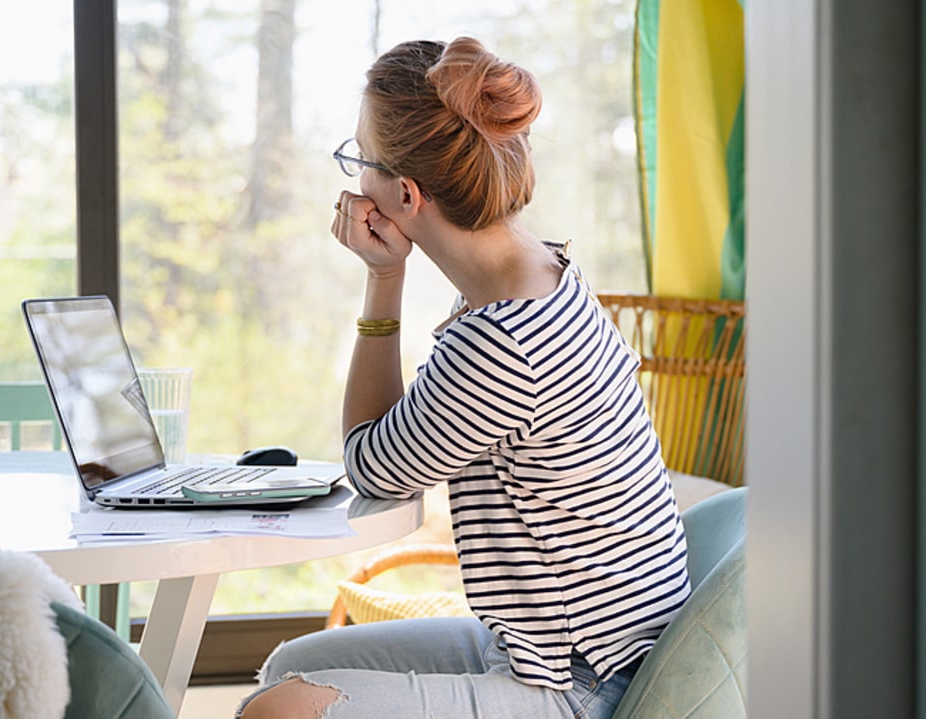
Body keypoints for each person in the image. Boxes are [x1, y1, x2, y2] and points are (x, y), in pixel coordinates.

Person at [237, 37, 690, 719]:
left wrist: (382, 277)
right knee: (289, 668)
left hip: (576, 680)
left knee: (278, 711)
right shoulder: (541, 272)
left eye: (361, 159)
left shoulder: (505, 341)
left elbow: (372, 465)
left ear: (406, 194)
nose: (355, 179)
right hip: (562, 645)